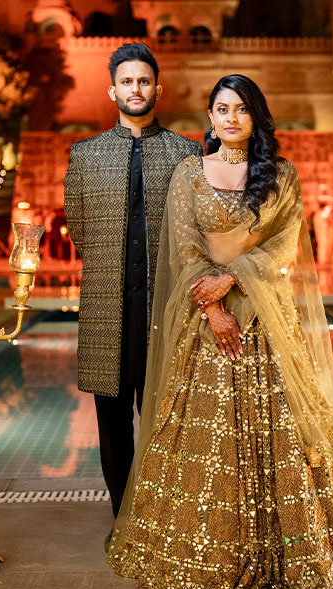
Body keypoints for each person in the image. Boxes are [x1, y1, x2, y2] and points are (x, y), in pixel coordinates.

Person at [107, 74, 333, 589]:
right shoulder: (188, 174)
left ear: (255, 116)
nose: (231, 118)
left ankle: (288, 542)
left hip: (267, 314)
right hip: (204, 316)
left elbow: (288, 243)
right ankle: (205, 547)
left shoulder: (281, 175)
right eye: (222, 109)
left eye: (241, 109)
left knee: (289, 426)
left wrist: (234, 276)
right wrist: (214, 303)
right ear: (211, 116)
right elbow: (182, 248)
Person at [63, 43, 203, 525]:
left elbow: (197, 231)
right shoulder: (85, 156)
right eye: (127, 81)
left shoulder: (188, 154)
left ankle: (165, 521)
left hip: (166, 312)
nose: (136, 88)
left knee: (169, 420)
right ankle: (123, 518)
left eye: (144, 81)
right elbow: (80, 230)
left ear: (156, 89)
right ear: (112, 91)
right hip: (107, 311)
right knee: (114, 426)